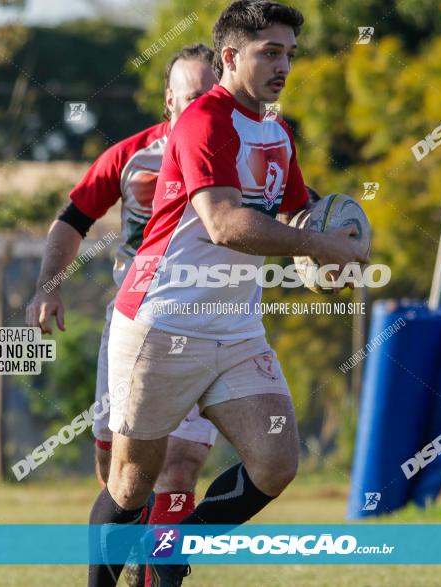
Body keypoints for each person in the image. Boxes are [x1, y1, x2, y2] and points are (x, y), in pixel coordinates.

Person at [87, 2, 368, 586]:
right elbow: (224, 223)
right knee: (131, 484)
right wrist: (318, 246)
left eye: (290, 52)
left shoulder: (276, 130)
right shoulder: (203, 121)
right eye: (270, 51)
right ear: (231, 57)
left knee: (276, 463)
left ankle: (172, 546)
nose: (284, 64)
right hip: (162, 323)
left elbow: (292, 207)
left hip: (236, 330)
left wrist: (335, 233)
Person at [24, 43, 218, 587]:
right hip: (133, 327)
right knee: (120, 475)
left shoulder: (244, 154)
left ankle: (157, 579)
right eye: (191, 98)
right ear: (169, 101)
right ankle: (124, 558)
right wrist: (48, 286)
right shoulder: (134, 155)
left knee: (180, 464)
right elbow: (72, 219)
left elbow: (293, 203)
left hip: (213, 325)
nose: (202, 107)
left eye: (212, 96)